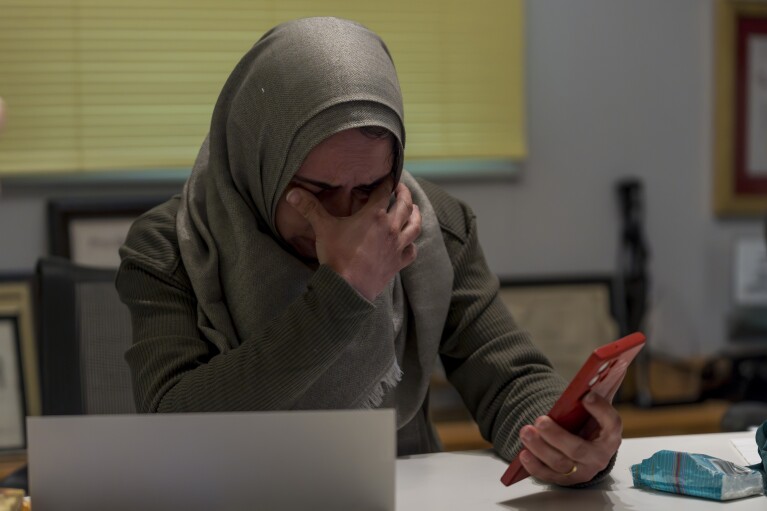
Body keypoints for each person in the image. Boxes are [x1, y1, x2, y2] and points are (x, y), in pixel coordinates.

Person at [116, 17, 621, 487]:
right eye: (315, 189)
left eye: (369, 188)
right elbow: (174, 429)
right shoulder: (171, 246)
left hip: (403, 491)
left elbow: (507, 379)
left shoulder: (431, 228)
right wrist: (344, 293)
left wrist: (567, 447)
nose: (345, 218)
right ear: (257, 162)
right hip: (233, 492)